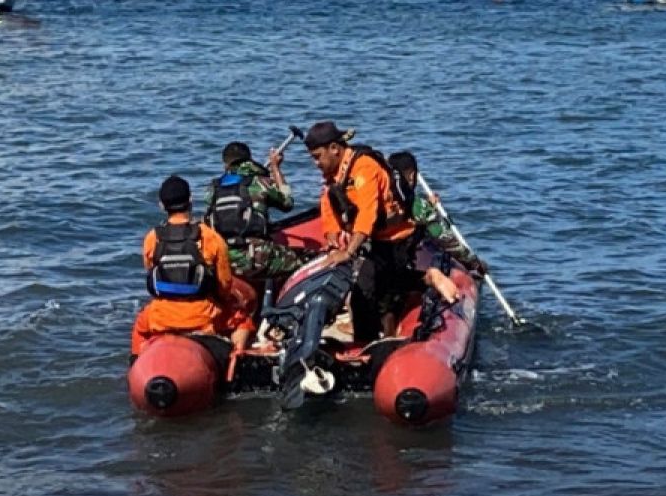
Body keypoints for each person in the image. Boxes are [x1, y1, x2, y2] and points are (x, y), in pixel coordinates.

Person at [305, 121, 457, 343]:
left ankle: (429, 279)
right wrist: (332, 239)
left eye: (318, 156)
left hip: (396, 238)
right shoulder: (335, 172)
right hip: (374, 239)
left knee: (379, 291)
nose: (315, 163)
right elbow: (328, 205)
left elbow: (368, 213)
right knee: (368, 291)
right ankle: (366, 343)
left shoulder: (364, 168)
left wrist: (348, 252)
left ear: (334, 149)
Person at [131, 176, 256, 356]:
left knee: (139, 329)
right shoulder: (211, 237)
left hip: (161, 316)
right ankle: (234, 361)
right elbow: (224, 285)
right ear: (191, 200)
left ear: (161, 205)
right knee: (243, 320)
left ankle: (138, 362)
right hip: (202, 316)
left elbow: (152, 273)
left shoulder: (152, 238)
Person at [204, 141, 303, 282]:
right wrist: (275, 167)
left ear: (225, 165)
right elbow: (287, 203)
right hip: (257, 258)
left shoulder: (212, 190)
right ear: (249, 159)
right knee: (301, 260)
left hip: (223, 261)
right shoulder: (260, 182)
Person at [385, 151, 489, 277]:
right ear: (412, 176)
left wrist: (428, 205)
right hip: (397, 263)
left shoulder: (377, 195)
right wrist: (474, 263)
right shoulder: (414, 205)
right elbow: (447, 240)